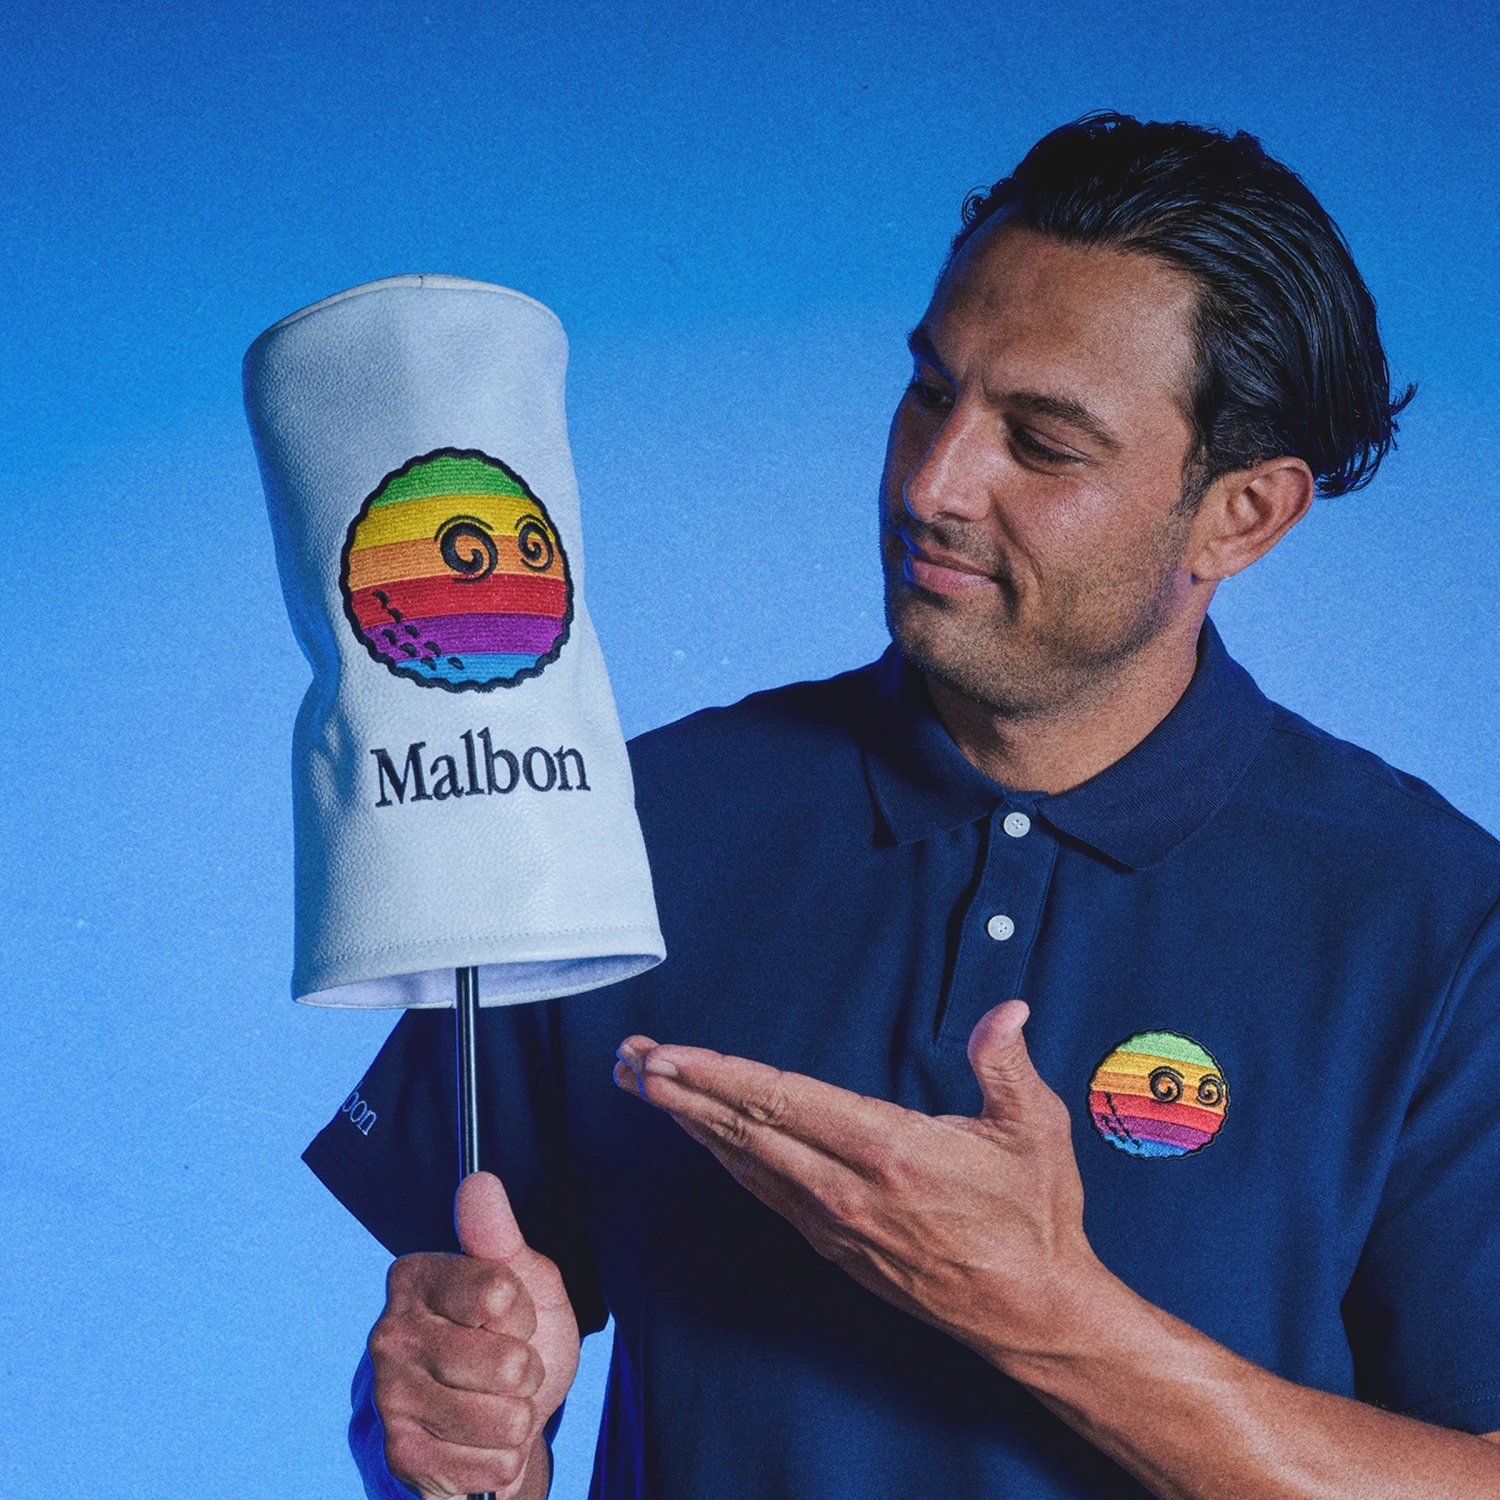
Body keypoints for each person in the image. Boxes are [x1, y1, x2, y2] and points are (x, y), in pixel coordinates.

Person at [304, 113, 1500, 1500]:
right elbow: (459, 1408)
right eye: (932, 393)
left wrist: (1048, 1314)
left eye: (1042, 444)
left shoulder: (1437, 925)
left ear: (1242, 514)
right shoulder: (624, 826)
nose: (934, 484)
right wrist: (444, 1447)